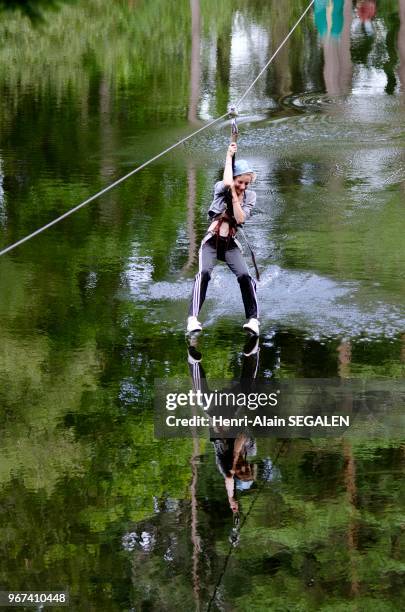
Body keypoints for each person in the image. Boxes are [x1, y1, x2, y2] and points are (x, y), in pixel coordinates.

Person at [187, 142, 259, 335]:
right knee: (204, 274)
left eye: (246, 183)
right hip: (211, 242)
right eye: (240, 182)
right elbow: (227, 183)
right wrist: (228, 155)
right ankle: (193, 319)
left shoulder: (250, 196)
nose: (242, 186)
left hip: (230, 245)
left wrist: (236, 198)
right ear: (234, 177)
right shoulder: (221, 187)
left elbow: (241, 218)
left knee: (245, 276)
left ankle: (253, 320)